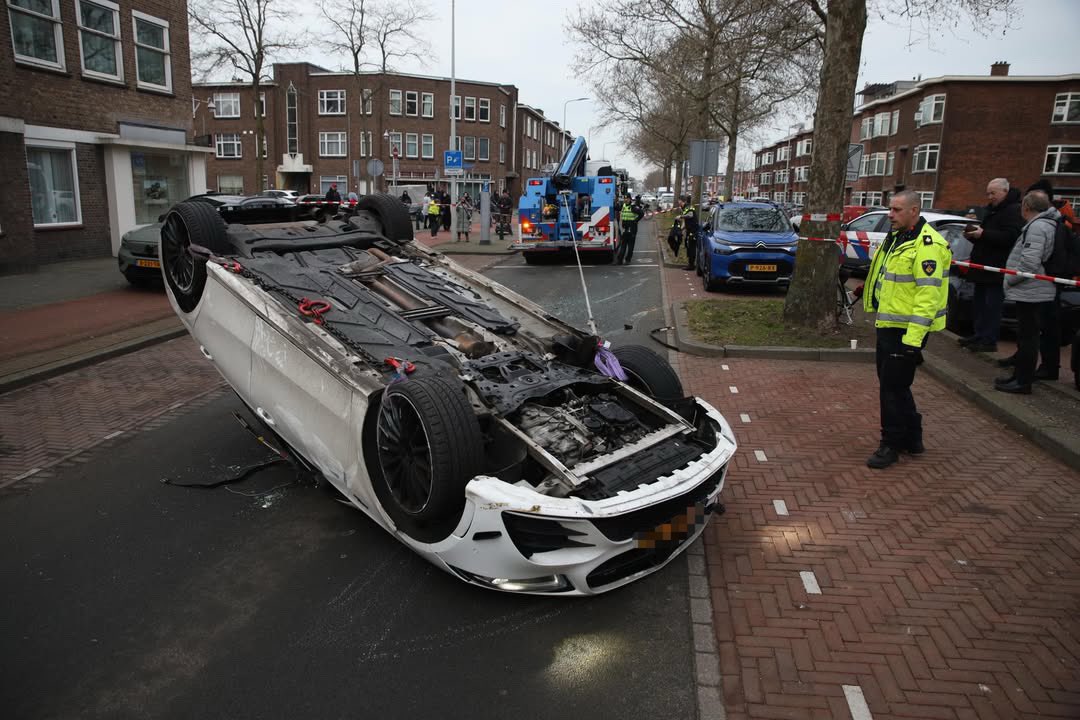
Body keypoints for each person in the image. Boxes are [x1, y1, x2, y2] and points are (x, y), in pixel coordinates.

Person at [862, 190, 952, 469]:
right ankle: (913, 437)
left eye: (897, 210)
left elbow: (927, 299)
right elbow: (887, 277)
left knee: (891, 388)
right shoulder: (898, 237)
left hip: (905, 331)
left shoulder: (928, 247)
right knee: (896, 386)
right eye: (890, 209)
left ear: (914, 211)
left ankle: (890, 444)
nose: (890, 214)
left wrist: (912, 343)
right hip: (889, 325)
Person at [995, 191, 1060, 394]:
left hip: (1031, 291)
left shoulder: (1038, 227)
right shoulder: (1046, 225)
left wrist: (1011, 280)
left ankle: (1023, 381)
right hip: (1034, 289)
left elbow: (1029, 263)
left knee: (1028, 337)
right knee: (1026, 336)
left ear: (1026, 208)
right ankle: (1019, 377)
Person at [959, 178, 1022, 353]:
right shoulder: (993, 211)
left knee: (992, 306)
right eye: (988, 193)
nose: (990, 197)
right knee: (979, 303)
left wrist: (983, 234)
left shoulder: (1012, 211)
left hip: (996, 268)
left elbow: (1010, 237)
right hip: (982, 266)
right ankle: (979, 335)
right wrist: (973, 236)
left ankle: (989, 339)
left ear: (1005, 192)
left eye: (993, 193)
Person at [678, 196, 699, 271]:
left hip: (693, 231)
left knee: (692, 247)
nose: (678, 202)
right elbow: (685, 221)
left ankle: (692, 265)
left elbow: (690, 215)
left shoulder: (689, 207)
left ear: (682, 201)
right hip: (689, 230)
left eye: (679, 201)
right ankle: (690, 264)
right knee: (688, 246)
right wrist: (680, 229)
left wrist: (681, 216)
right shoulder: (684, 208)